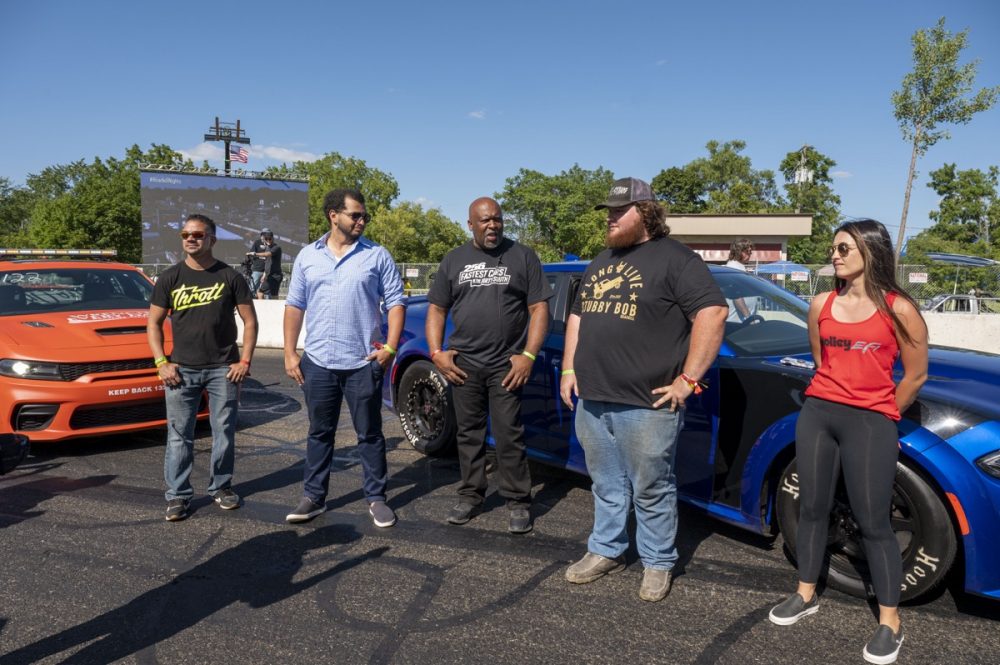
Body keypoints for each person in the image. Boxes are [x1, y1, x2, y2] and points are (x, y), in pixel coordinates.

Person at [559, 177, 727, 601]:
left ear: (647, 213)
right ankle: (606, 550)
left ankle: (657, 561)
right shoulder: (601, 260)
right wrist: (568, 369)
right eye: (609, 212)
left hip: (647, 403)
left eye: (620, 211)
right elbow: (578, 317)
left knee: (652, 486)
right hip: (593, 398)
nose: (611, 218)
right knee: (605, 483)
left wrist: (688, 379)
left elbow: (712, 312)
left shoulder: (677, 259)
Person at [768, 219, 928, 665]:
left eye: (843, 248)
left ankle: (890, 621)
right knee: (813, 508)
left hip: (871, 422)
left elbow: (915, 374)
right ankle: (805, 593)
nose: (834, 255)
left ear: (870, 253)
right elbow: (824, 361)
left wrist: (879, 410)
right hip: (818, 414)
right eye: (833, 248)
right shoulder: (820, 303)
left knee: (873, 521)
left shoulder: (900, 309)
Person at [427, 196, 551, 534]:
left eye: (497, 219)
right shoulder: (454, 260)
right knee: (468, 434)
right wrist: (436, 352)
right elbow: (437, 309)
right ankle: (471, 494)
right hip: (464, 363)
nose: (492, 225)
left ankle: (518, 500)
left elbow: (540, 309)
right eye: (484, 221)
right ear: (470, 224)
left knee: (509, 433)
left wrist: (528, 355)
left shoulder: (522, 256)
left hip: (505, 364)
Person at [283, 189, 406, 528]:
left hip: (363, 363)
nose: (362, 221)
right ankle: (313, 497)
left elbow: (396, 303)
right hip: (319, 361)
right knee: (319, 433)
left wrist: (390, 348)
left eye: (364, 216)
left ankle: (376, 498)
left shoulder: (377, 256)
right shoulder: (308, 256)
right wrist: (290, 352)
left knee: (370, 434)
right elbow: (294, 306)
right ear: (333, 216)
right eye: (356, 215)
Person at [148, 214, 258, 522]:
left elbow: (250, 322)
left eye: (197, 235)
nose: (190, 239)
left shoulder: (230, 277)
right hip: (181, 371)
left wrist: (244, 361)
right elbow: (153, 324)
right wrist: (161, 363)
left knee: (223, 432)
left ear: (212, 239)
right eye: (185, 235)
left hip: (223, 370)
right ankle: (178, 495)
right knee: (179, 435)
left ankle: (221, 487)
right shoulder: (170, 277)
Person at [725, 238, 758, 323]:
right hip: (738, 323)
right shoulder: (733, 268)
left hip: (742, 321)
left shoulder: (739, 267)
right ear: (739, 251)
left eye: (750, 252)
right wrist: (748, 317)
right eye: (748, 252)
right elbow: (737, 296)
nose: (750, 254)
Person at [247, 228, 283, 299]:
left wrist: (255, 254)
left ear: (273, 238)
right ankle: (262, 307)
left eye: (270, 239)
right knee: (260, 292)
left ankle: (274, 308)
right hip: (268, 275)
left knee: (273, 295)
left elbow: (267, 254)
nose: (268, 240)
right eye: (266, 239)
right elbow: (267, 263)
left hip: (275, 276)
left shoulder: (276, 247)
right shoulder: (266, 247)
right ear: (264, 239)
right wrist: (264, 275)